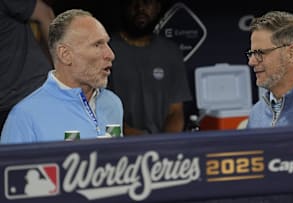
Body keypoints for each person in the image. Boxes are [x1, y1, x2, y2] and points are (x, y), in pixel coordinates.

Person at [1, 9, 123, 143]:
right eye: (97, 45)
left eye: (107, 43)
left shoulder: (112, 103)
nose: (110, 54)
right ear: (65, 55)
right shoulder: (24, 117)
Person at [108, 0, 192, 135]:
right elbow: (99, 111)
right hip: (119, 147)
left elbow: (175, 111)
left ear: (158, 7)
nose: (140, 7)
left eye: (147, 2)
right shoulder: (105, 51)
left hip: (162, 149)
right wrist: (141, 140)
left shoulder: (171, 52)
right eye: (134, 1)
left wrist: (164, 145)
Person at [0, 0, 55, 132]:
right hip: (6, 101)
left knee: (49, 151)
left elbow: (44, 15)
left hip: (31, 92)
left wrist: (65, 71)